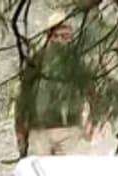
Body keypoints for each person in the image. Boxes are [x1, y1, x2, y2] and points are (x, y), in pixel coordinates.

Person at [15, 12, 96, 157]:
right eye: (55, 36)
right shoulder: (36, 61)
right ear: (48, 36)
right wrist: (20, 130)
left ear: (71, 36)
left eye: (64, 36)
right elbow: (23, 97)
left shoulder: (78, 63)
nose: (59, 40)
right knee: (39, 175)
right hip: (40, 131)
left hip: (70, 130)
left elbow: (92, 92)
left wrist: (93, 120)